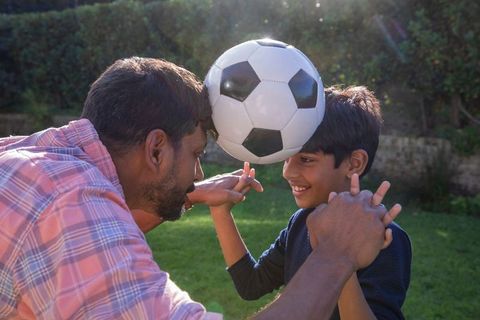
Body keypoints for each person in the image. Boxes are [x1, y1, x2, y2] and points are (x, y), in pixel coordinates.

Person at [0, 57, 397, 320]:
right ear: (156, 148)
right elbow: (85, 228)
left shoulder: (36, 162)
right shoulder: (69, 204)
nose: (197, 173)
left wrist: (189, 197)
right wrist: (337, 253)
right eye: (195, 154)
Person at [208, 86, 412, 319]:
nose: (288, 172)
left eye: (305, 159)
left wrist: (343, 259)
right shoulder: (302, 222)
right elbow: (251, 284)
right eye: (287, 158)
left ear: (354, 163)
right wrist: (220, 211)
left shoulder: (383, 237)